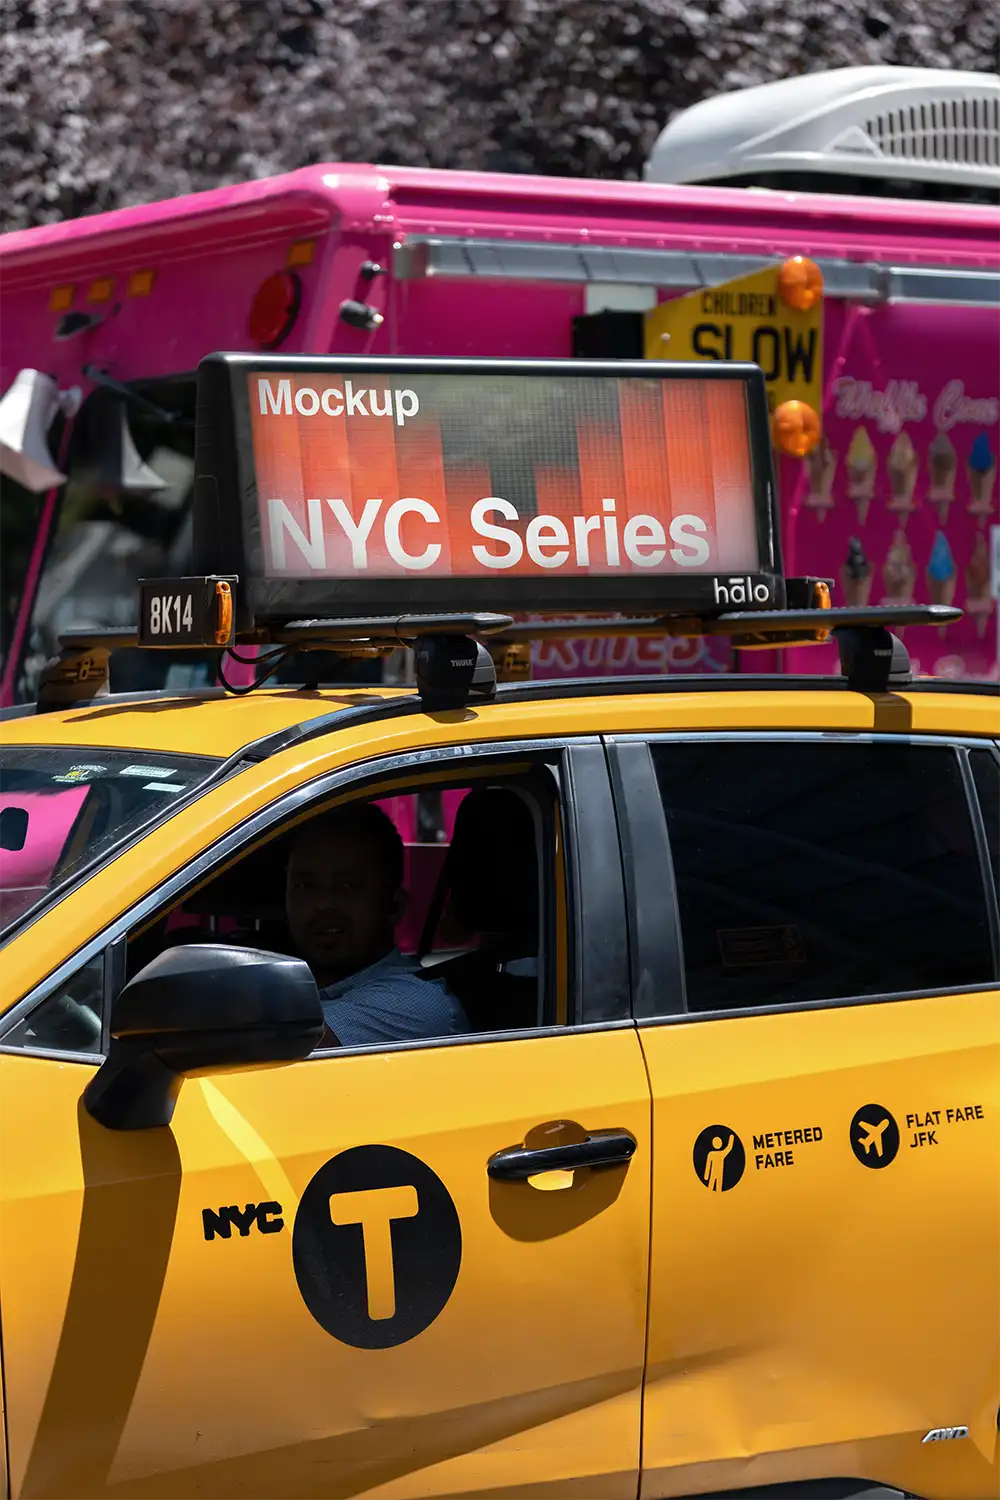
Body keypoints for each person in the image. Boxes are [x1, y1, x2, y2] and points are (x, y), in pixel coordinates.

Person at [285, 803, 469, 1048]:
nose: (322, 903)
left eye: (347, 886)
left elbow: (276, 1047)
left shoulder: (414, 1002)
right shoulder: (301, 987)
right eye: (305, 886)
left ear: (394, 907)